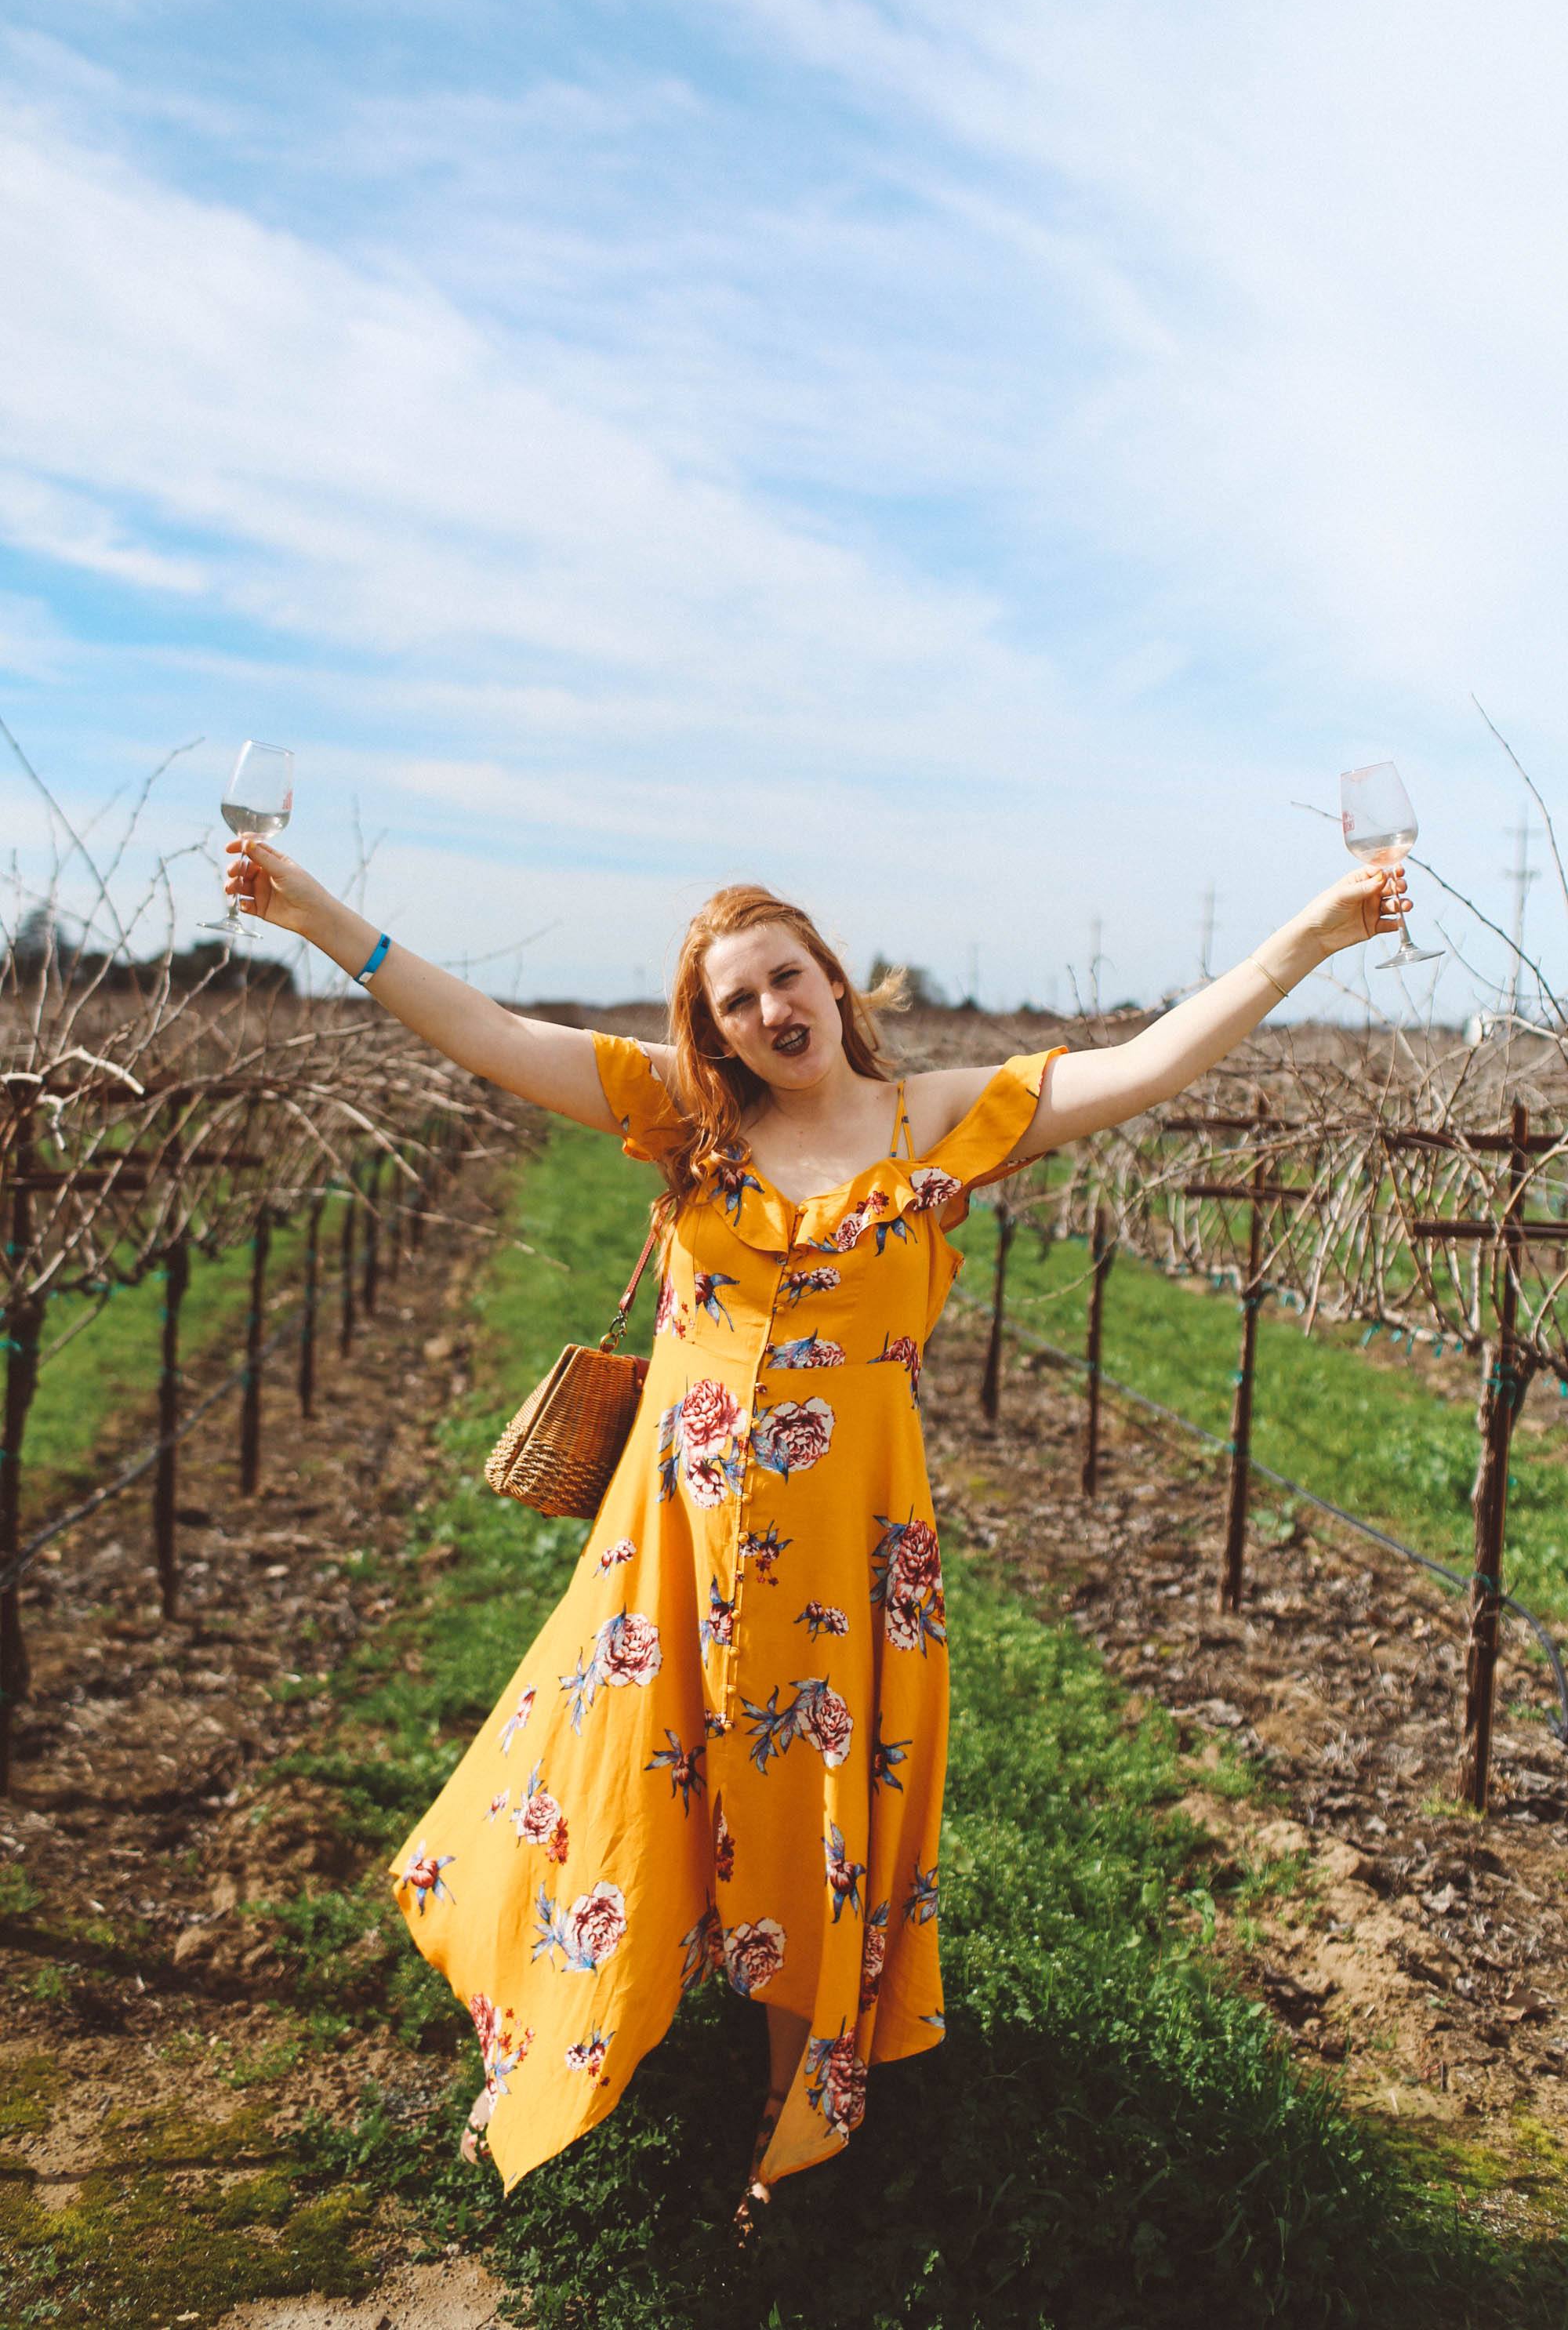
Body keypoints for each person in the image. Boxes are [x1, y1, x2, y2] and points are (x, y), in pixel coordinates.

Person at [220, 831, 1411, 2235]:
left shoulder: (941, 1117)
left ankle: (792, 2127)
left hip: (849, 1550)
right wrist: (319, 920)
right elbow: (483, 1030)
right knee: (610, 1776)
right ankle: (556, 2029)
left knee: (811, 1811)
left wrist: (1309, 938)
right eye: (734, 1001)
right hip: (676, 1535)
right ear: (710, 1028)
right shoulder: (683, 1117)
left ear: (835, 982)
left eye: (783, 978)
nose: (767, 1012)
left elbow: (1148, 1063)